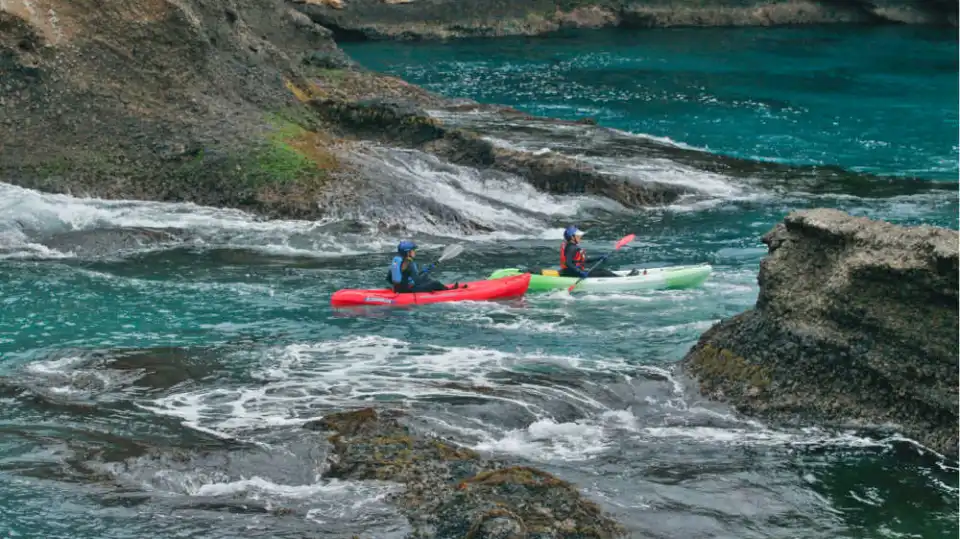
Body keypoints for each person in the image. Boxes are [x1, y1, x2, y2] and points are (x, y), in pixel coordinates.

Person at [559, 226, 634, 278]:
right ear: (572, 237)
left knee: (600, 271)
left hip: (573, 271)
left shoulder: (572, 246)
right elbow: (568, 263)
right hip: (571, 273)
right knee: (603, 272)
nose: (580, 237)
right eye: (577, 235)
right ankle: (623, 278)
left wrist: (599, 258)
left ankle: (620, 276)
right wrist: (580, 272)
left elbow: (584, 260)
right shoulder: (571, 248)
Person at [387, 240, 459, 293]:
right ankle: (449, 291)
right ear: (408, 252)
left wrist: (424, 273)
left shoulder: (396, 261)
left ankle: (444, 288)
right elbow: (417, 281)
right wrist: (425, 273)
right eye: (413, 250)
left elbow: (389, 278)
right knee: (435, 283)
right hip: (408, 291)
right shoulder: (410, 264)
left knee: (425, 278)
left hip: (397, 289)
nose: (414, 252)